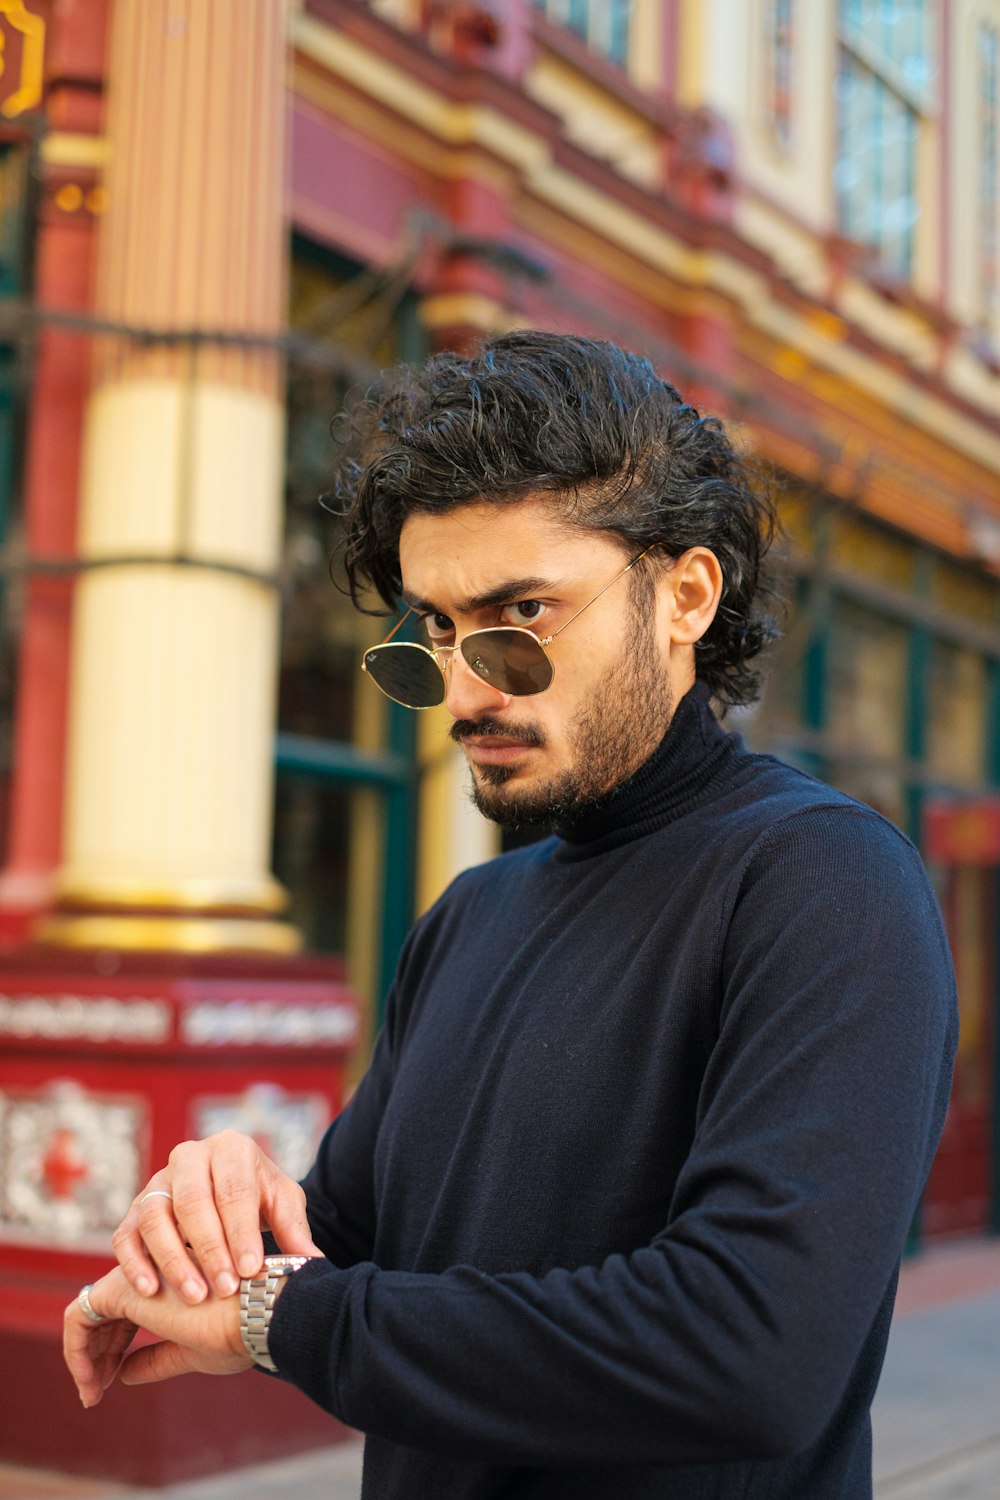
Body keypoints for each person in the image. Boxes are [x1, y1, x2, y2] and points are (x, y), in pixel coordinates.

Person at [65, 332, 957, 1500]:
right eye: (435, 629)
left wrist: (285, 1314)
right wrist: (224, 1210)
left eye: (519, 614)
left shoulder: (822, 883)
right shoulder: (468, 915)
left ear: (685, 593)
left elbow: (748, 1351)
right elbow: (345, 1254)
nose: (469, 687)